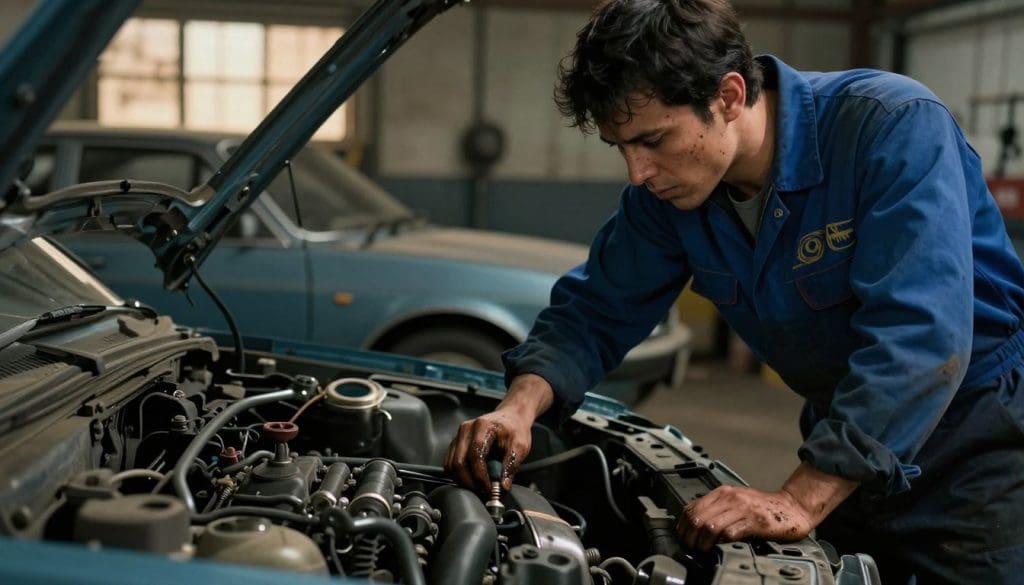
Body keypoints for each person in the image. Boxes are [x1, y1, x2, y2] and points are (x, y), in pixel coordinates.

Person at [444, 0, 1024, 581]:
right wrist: (519, 408)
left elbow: (924, 340)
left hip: (979, 449)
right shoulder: (669, 199)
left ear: (728, 95)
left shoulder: (889, 127)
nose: (637, 173)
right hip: (850, 446)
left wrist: (800, 499)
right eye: (621, 148)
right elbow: (596, 309)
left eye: (653, 140)